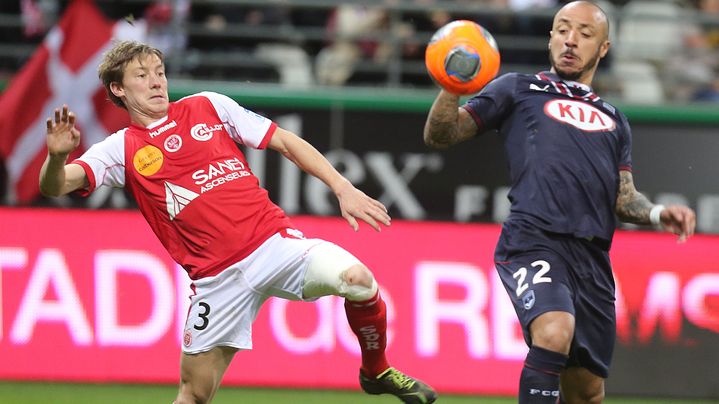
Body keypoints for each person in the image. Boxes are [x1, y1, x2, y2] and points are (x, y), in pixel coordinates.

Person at [39, 40, 437, 404]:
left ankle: (376, 370)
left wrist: (341, 186)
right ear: (118, 90)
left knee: (359, 280)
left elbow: (283, 139)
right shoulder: (119, 149)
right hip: (218, 281)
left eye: (159, 71)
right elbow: (57, 186)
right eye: (142, 76)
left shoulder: (208, 106)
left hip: (275, 245)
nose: (156, 82)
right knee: (193, 396)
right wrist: (57, 158)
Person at [423, 2, 695, 403]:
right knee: (554, 330)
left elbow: (624, 198)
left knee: (585, 391)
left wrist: (657, 213)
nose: (571, 40)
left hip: (592, 261)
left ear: (603, 49)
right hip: (534, 239)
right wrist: (452, 85)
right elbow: (441, 135)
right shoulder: (518, 88)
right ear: (550, 36)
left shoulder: (615, 119)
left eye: (585, 34)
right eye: (563, 29)